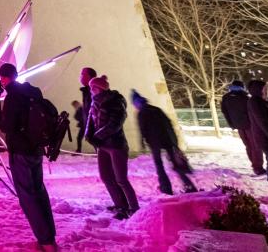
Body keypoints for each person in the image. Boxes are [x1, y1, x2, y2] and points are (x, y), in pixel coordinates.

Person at [0, 63, 57, 251]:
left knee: (27, 197)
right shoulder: (33, 92)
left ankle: (46, 242)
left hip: (21, 151)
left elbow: (7, 126)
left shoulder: (13, 97)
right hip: (36, 149)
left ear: (4, 78)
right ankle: (49, 236)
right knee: (39, 191)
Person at [86, 75, 139, 219]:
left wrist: (98, 136)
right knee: (106, 176)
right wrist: (88, 135)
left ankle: (134, 208)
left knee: (121, 178)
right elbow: (91, 120)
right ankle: (120, 205)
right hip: (103, 146)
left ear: (98, 88)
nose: (90, 90)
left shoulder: (115, 101)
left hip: (116, 145)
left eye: (92, 88)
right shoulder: (95, 102)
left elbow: (115, 124)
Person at [132, 90, 196, 195]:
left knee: (159, 165)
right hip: (167, 140)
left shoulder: (142, 113)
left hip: (155, 142)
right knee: (176, 163)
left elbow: (142, 129)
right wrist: (174, 141)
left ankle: (166, 187)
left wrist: (142, 142)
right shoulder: (157, 109)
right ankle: (189, 185)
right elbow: (169, 123)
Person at [221, 80, 265, 175]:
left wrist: (232, 124)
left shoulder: (226, 97)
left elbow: (225, 112)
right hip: (251, 126)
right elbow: (252, 111)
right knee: (256, 146)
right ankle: (258, 167)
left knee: (248, 146)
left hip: (239, 126)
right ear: (242, 87)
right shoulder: (245, 97)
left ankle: (255, 165)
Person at [78, 67, 97, 144]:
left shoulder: (94, 92)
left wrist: (91, 131)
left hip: (97, 133)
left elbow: (94, 112)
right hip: (92, 132)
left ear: (89, 77)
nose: (80, 76)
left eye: (82, 74)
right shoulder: (87, 92)